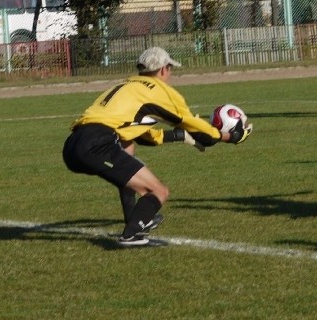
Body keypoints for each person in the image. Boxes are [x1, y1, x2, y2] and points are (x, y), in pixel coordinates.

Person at [62, 47, 253, 246]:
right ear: (163, 69)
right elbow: (190, 123)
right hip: (97, 144)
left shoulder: (127, 85)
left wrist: (179, 137)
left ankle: (135, 220)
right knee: (159, 192)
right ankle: (132, 235)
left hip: (74, 145)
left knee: (128, 149)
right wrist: (228, 136)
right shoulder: (159, 90)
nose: (170, 74)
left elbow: (145, 137)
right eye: (170, 69)